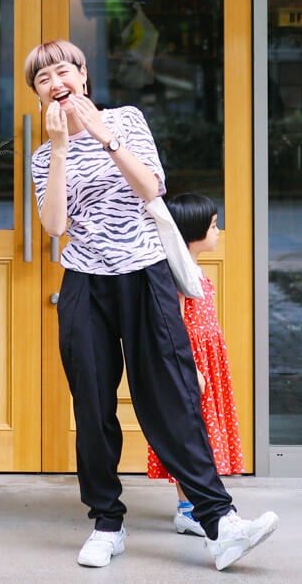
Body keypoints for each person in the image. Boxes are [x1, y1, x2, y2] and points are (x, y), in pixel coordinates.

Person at [25, 40, 278, 571]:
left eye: (63, 71)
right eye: (42, 78)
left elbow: (151, 188)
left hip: (145, 272)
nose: (55, 82)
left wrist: (102, 135)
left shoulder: (126, 120)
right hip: (85, 281)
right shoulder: (44, 155)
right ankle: (107, 522)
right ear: (38, 95)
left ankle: (220, 522)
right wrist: (62, 148)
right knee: (93, 405)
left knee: (172, 394)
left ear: (83, 77)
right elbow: (54, 226)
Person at [146, 193, 244, 538]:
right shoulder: (176, 275)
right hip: (193, 364)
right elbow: (174, 328)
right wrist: (191, 371)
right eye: (213, 226)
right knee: (190, 433)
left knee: (204, 433)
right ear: (192, 231)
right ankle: (189, 510)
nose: (218, 232)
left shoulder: (193, 269)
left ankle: (196, 505)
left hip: (208, 362)